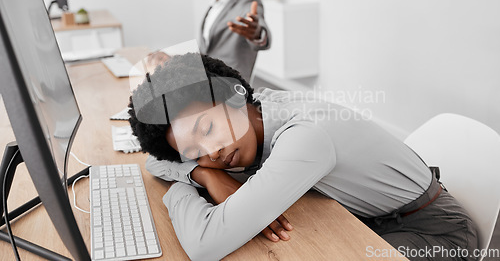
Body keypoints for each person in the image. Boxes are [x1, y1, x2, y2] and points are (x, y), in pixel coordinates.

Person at [128, 53, 478, 261]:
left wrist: (178, 192)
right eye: (194, 153)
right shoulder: (255, 106)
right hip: (366, 214)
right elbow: (153, 161)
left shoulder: (304, 137)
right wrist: (204, 177)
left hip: (435, 233)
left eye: (207, 129)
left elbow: (205, 245)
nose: (214, 154)